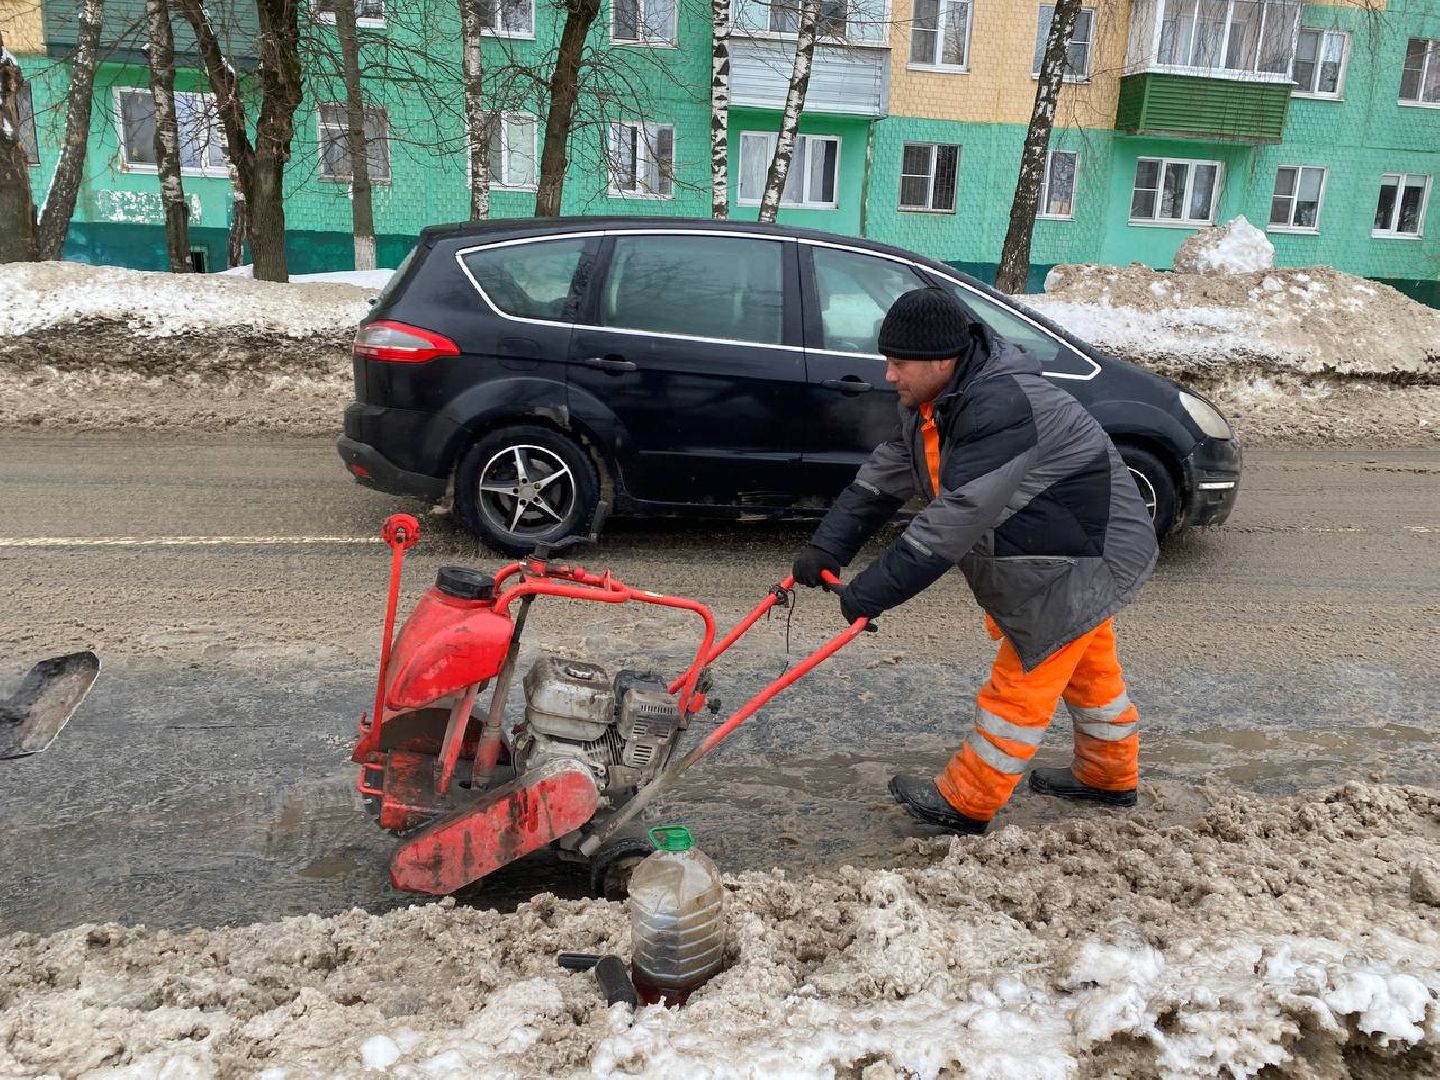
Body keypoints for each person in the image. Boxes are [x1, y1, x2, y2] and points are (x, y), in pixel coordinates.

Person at [792, 287, 1159, 834]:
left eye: (898, 363)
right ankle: (1108, 776)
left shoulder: (1001, 404)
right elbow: (886, 472)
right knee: (1089, 667)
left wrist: (874, 590)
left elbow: (956, 517)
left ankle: (967, 801)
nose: (888, 375)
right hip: (1062, 543)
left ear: (942, 359)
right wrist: (829, 546)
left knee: (1023, 678)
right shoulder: (935, 399)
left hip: (1080, 554)